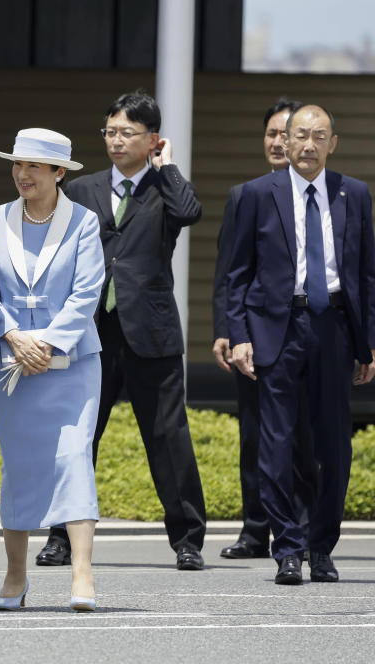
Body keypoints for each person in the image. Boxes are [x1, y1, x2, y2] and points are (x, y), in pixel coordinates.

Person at [36, 91, 207, 571]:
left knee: (168, 437)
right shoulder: (84, 189)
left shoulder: (165, 190)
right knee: (77, 435)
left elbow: (190, 212)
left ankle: (188, 540)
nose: (115, 141)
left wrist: (166, 167)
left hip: (149, 330)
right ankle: (59, 537)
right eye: (110, 131)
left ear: (152, 139)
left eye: (127, 133)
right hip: (89, 330)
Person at [228, 104, 375, 585]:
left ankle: (322, 548)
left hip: (333, 326)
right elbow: (237, 275)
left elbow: (366, 275)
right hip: (277, 328)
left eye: (319, 136)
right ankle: (287, 546)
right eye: (300, 135)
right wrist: (240, 336)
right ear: (284, 142)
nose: (308, 145)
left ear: (332, 144)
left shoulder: (354, 194)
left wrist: (367, 343)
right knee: (275, 443)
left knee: (334, 445)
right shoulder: (256, 194)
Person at [0, 129, 103, 612]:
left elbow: (87, 291)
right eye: (18, 164)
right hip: (11, 361)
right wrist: (14, 336)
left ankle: (82, 571)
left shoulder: (84, 222)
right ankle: (15, 573)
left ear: (59, 173)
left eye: (35, 166)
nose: (23, 174)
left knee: (74, 457)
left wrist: (48, 341)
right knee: (19, 466)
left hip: (72, 364)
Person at [212, 98, 317, 560]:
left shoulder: (321, 195)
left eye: (286, 133)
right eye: (272, 133)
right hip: (253, 337)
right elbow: (228, 271)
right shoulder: (247, 195)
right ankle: (256, 530)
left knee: (304, 435)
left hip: (306, 336)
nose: (278, 141)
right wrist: (228, 331)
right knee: (254, 435)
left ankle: (305, 527)